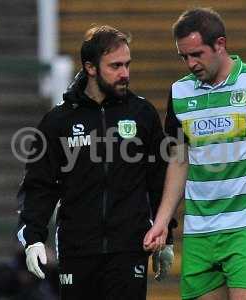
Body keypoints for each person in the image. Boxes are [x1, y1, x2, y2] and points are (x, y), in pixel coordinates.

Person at [16, 25, 175, 300]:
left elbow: (160, 179)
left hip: (128, 248)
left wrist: (167, 234)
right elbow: (39, 184)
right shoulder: (59, 121)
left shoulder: (142, 114)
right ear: (90, 67)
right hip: (77, 249)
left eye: (127, 64)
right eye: (115, 66)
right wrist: (33, 238)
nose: (125, 73)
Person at [144, 8, 246, 300]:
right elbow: (179, 162)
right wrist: (161, 220)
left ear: (220, 44)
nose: (190, 63)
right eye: (184, 56)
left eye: (197, 54)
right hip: (200, 229)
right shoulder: (180, 92)